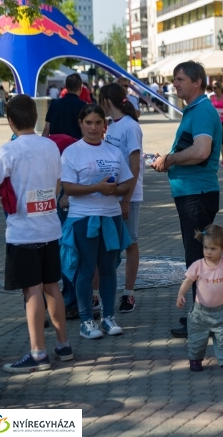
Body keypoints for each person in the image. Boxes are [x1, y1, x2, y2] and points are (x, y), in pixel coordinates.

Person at [0, 95, 73, 372]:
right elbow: (58, 182)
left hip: (24, 232)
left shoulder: (8, 151)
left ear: (10, 121)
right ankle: (63, 345)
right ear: (36, 118)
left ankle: (38, 353)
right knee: (52, 287)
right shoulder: (50, 146)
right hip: (49, 227)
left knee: (32, 290)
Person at [151, 61, 222, 339]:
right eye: (174, 79)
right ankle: (200, 316)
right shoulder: (195, 110)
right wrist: (168, 159)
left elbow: (201, 151)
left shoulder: (202, 111)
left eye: (179, 79)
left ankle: (201, 322)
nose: (175, 84)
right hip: (193, 193)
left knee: (197, 260)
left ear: (197, 82)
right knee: (198, 258)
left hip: (197, 194)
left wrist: (168, 159)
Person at [61, 104, 133, 340]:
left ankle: (108, 317)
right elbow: (69, 188)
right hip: (83, 218)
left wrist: (115, 191)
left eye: (98, 123)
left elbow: (126, 182)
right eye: (88, 123)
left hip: (110, 217)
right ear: (81, 124)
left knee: (109, 269)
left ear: (105, 125)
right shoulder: (72, 152)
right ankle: (86, 321)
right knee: (86, 270)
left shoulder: (113, 151)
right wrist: (98, 188)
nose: (93, 127)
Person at [100, 84, 143, 314]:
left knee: (130, 243)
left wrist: (126, 199)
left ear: (107, 101)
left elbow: (135, 167)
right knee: (108, 244)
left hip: (129, 196)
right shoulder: (112, 126)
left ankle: (128, 294)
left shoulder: (130, 126)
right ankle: (99, 294)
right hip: (112, 194)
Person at [176, 224, 223, 377]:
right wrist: (180, 294)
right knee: (197, 340)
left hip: (221, 312)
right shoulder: (198, 265)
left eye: (213, 249)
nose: (208, 252)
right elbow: (187, 281)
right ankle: (195, 359)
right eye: (206, 248)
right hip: (200, 313)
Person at [43, 74, 88, 139]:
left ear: (66, 87)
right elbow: (85, 130)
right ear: (80, 88)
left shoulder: (54, 104)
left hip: (56, 144)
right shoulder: (83, 106)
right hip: (74, 145)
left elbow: (47, 129)